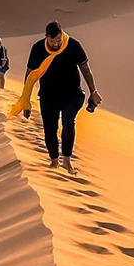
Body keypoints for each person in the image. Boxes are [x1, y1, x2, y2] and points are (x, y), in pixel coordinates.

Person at [22, 21, 101, 173]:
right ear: (46, 37)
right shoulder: (38, 48)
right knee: (50, 128)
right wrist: (25, 100)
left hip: (71, 94)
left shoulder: (73, 45)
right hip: (48, 94)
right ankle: (53, 160)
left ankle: (66, 160)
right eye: (52, 42)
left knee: (68, 123)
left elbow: (85, 69)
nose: (56, 45)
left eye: (58, 41)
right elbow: (30, 74)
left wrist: (93, 91)